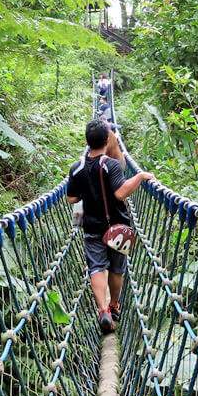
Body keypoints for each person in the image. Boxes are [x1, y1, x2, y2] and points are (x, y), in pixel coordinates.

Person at [66, 119, 154, 333]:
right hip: (117, 227)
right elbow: (121, 192)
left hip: (92, 227)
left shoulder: (76, 167)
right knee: (116, 268)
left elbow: (71, 199)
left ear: (87, 141)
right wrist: (140, 176)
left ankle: (102, 310)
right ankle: (114, 306)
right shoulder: (112, 165)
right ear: (107, 140)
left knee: (96, 267)